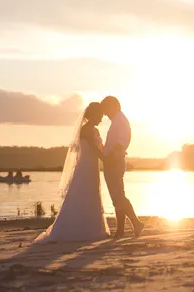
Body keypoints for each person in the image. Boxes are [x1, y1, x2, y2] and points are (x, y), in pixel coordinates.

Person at [34, 102, 110, 243]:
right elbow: (93, 149)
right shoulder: (86, 130)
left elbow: (100, 147)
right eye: (100, 115)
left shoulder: (95, 130)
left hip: (93, 166)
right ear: (93, 115)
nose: (101, 118)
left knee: (92, 194)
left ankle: (93, 228)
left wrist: (109, 154)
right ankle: (78, 229)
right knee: (81, 194)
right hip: (85, 166)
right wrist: (105, 159)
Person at [100, 96, 144, 238]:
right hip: (112, 161)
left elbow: (121, 142)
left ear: (113, 106)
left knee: (118, 196)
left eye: (106, 110)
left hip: (115, 162)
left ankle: (134, 224)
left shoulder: (120, 121)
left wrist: (109, 157)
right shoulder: (118, 120)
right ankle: (125, 228)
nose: (105, 114)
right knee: (117, 197)